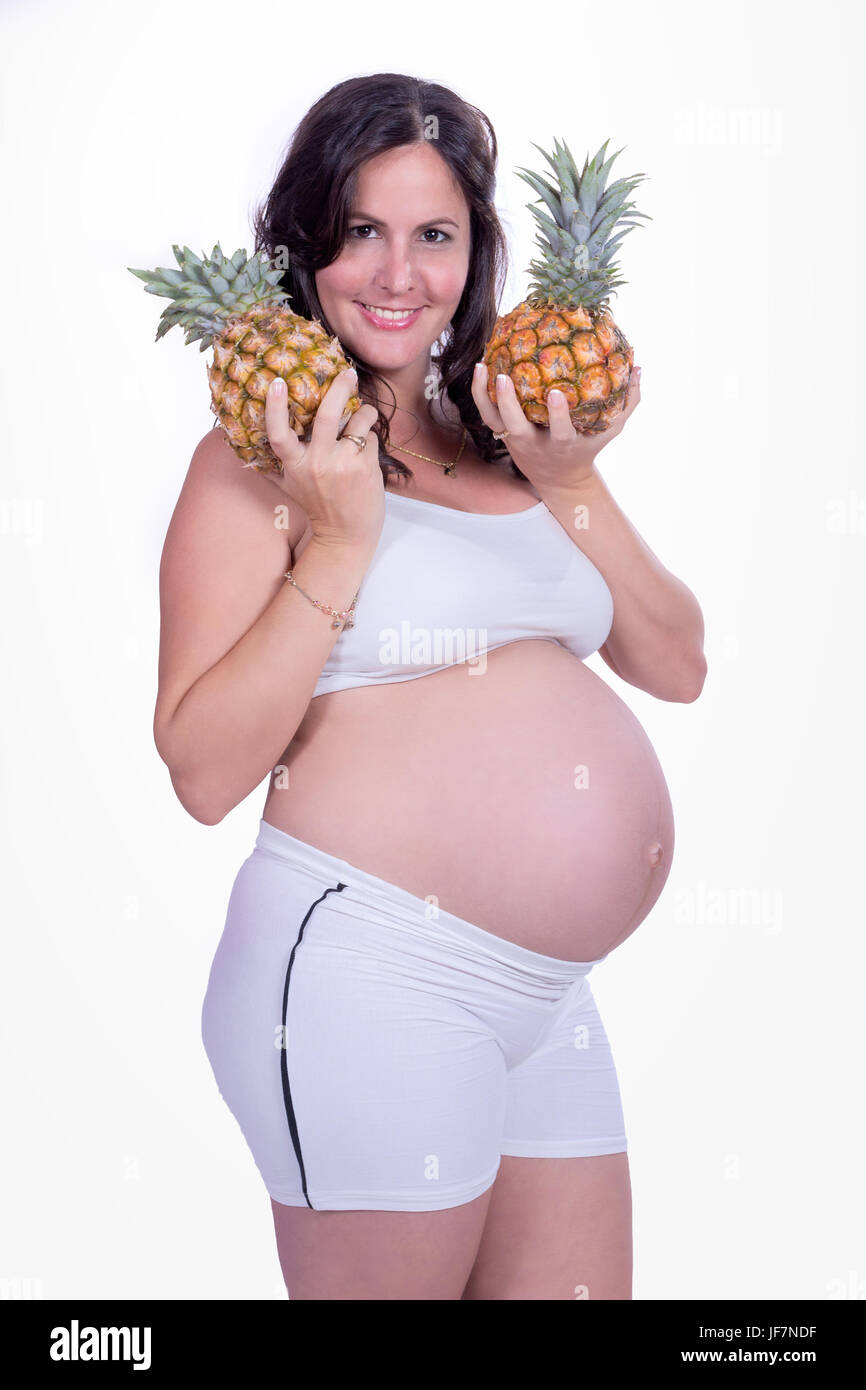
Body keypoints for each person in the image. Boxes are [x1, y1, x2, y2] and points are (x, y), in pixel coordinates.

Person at [153, 73, 706, 1301]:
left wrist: (572, 479)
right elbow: (200, 769)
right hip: (367, 971)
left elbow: (678, 663)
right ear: (305, 245)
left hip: (545, 994)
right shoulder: (258, 461)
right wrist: (341, 541)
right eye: (360, 231)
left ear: (475, 251)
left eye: (433, 235)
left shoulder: (509, 431)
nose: (396, 274)